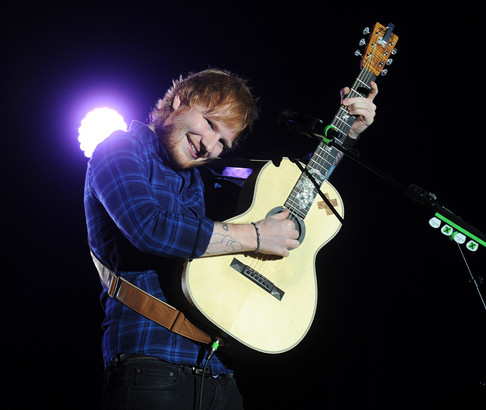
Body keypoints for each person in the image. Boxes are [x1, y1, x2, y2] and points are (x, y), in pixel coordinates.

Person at [84, 68, 377, 409]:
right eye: (209, 123)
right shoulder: (120, 148)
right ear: (181, 99)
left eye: (223, 141)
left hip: (220, 370)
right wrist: (256, 235)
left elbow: (299, 192)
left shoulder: (203, 178)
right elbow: (151, 229)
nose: (210, 145)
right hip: (149, 363)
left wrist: (345, 134)